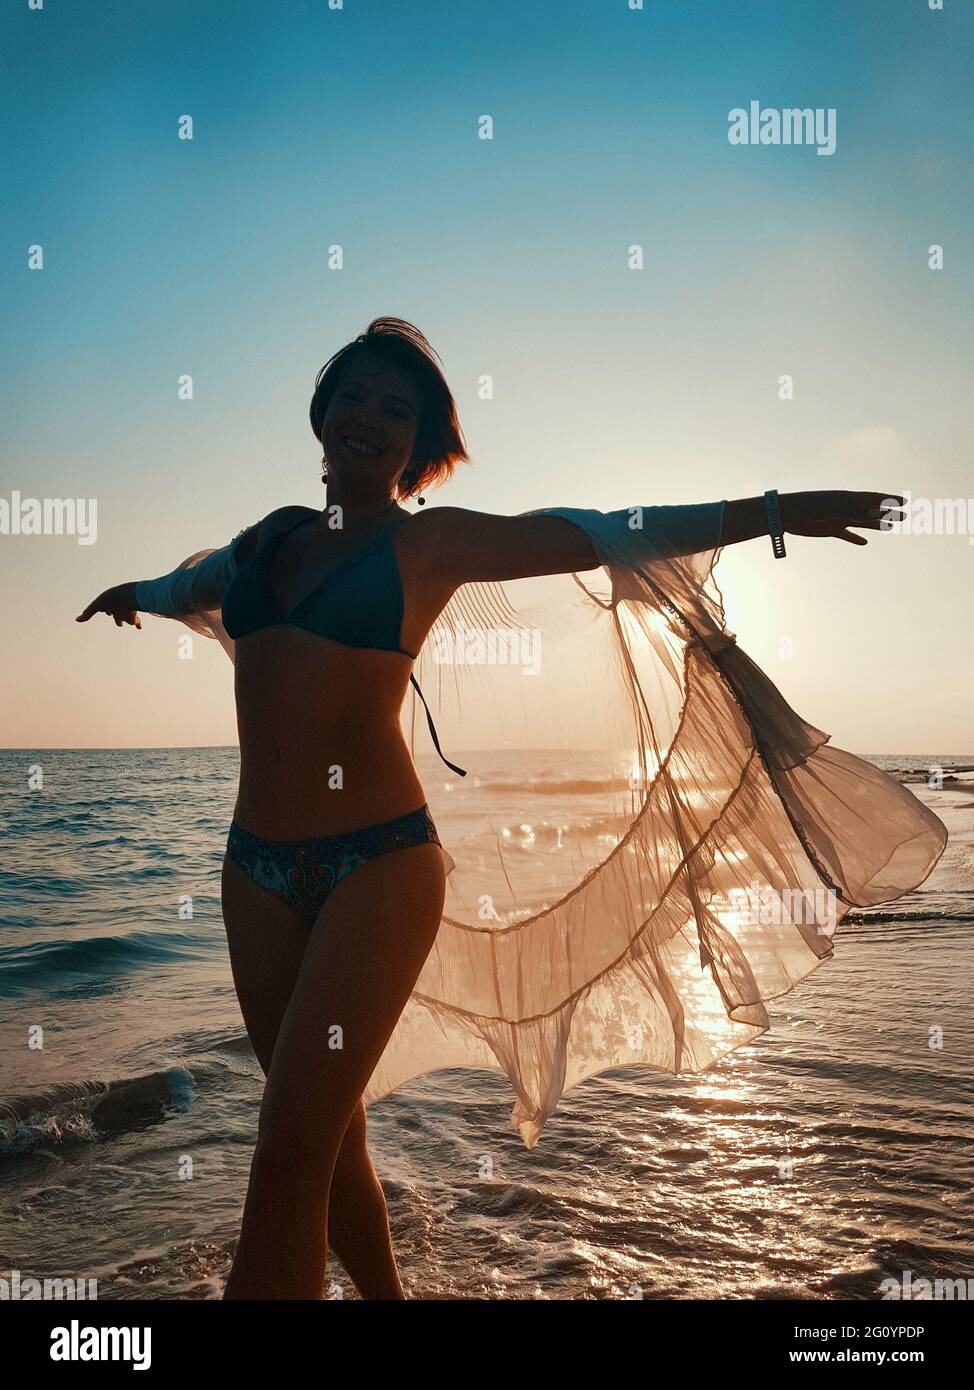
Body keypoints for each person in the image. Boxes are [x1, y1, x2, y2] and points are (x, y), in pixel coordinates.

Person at [77, 317, 916, 1299]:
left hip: (377, 868)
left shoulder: (428, 543)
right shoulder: (261, 545)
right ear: (322, 412)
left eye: (397, 410)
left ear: (416, 447)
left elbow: (607, 530)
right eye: (354, 394)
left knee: (282, 1155)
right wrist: (122, 592)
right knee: (322, 1142)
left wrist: (775, 508)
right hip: (253, 873)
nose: (368, 418)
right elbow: (184, 586)